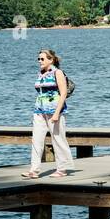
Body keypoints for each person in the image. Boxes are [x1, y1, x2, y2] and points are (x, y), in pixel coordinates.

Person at [23, 48, 74, 178]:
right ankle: (34, 170)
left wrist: (57, 113)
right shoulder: (41, 73)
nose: (40, 61)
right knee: (36, 140)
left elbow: (63, 94)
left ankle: (62, 169)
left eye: (42, 59)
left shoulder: (58, 73)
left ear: (51, 59)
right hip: (39, 111)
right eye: (38, 59)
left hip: (55, 111)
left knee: (58, 139)